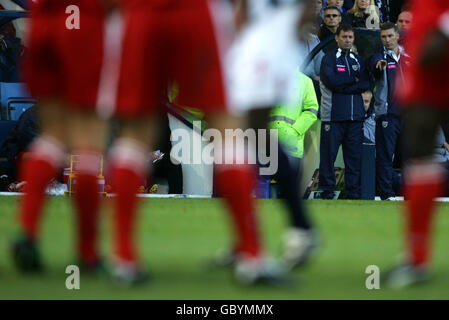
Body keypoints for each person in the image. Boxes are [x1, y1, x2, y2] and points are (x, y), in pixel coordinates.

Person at [111, 0, 291, 285]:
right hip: (196, 14)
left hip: (140, 13)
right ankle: (252, 258)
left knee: (134, 135)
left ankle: (123, 259)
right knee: (227, 129)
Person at [12, 0, 118, 277]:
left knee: (51, 137)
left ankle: (28, 233)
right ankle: (87, 251)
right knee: (87, 143)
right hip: (86, 25)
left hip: (46, 24)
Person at [384, 0, 449, 288]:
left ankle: (418, 259)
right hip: (428, 66)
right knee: (419, 156)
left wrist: (436, 41)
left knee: (420, 153)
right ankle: (417, 258)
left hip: (435, 61)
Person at [268, 71, 319, 267]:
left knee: (288, 184)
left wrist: (295, 130)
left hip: (290, 142)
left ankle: (296, 228)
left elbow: (312, 109)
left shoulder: (304, 81)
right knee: (262, 179)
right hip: (266, 138)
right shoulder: (271, 73)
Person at [318, 24, 371, 199]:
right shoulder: (329, 58)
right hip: (333, 117)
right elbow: (332, 82)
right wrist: (353, 82)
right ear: (337, 38)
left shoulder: (358, 60)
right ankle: (327, 192)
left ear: (353, 39)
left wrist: (345, 85)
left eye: (350, 37)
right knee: (328, 158)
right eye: (344, 37)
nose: (347, 40)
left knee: (354, 159)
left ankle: (353, 194)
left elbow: (365, 84)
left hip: (356, 118)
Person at [369, 22, 409, 200]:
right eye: (383, 37)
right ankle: (386, 194)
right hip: (388, 115)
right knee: (386, 156)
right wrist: (379, 65)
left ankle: (410, 194)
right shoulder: (379, 57)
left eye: (390, 36)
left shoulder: (409, 57)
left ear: (397, 36)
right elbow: (374, 65)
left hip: (409, 115)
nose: (387, 40)